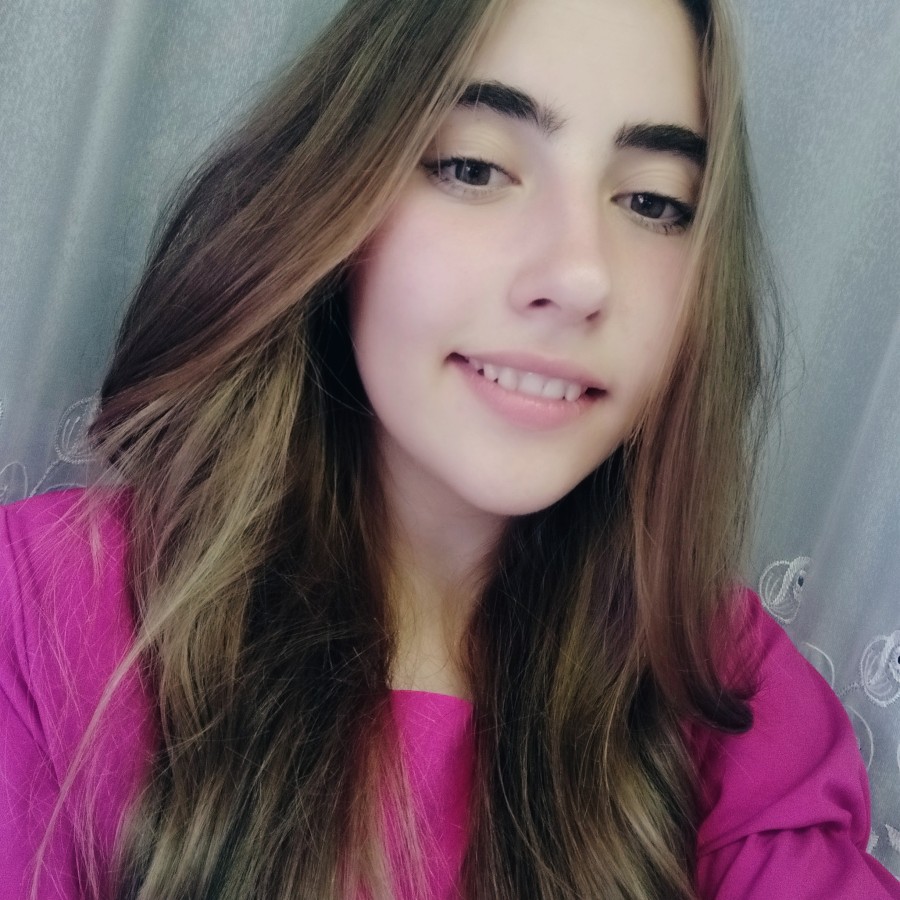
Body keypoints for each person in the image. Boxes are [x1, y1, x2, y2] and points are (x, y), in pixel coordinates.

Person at [1, 0, 898, 897]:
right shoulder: (49, 618)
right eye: (474, 167)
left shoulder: (725, 690)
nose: (580, 276)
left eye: (653, 203)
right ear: (339, 197)